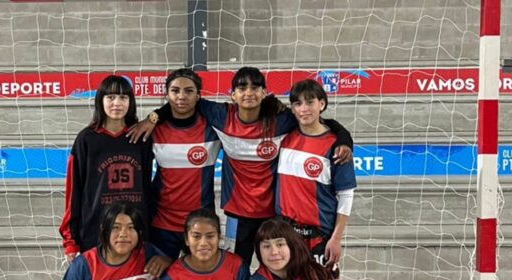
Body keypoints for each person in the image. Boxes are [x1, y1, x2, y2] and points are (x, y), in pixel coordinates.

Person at [131, 67, 353, 266]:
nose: (249, 92)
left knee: (276, 270)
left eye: (255, 87)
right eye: (242, 88)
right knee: (236, 270)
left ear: (264, 93)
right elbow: (182, 102)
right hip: (237, 214)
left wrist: (343, 138)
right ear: (232, 95)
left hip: (273, 215)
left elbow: (316, 120)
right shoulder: (220, 116)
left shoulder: (280, 120)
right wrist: (153, 117)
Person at [59, 75, 154, 264]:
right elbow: (73, 192)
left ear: (131, 102)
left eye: (123, 97)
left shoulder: (141, 138)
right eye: (110, 97)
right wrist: (70, 241)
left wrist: (153, 118)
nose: (117, 103)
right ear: (100, 100)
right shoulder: (86, 139)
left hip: (134, 235)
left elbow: (147, 188)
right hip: (94, 234)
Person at [277, 79, 357, 271]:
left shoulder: (338, 148)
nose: (304, 109)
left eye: (310, 102)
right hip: (285, 233)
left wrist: (336, 238)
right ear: (292, 109)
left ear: (321, 104)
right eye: (298, 104)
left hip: (319, 236)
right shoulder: (283, 138)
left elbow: (346, 195)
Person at [148, 69, 222, 259]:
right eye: (175, 90)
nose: (181, 96)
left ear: (198, 96)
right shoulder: (153, 129)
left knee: (200, 276)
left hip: (201, 224)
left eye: (189, 91)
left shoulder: (213, 128)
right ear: (167, 94)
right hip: (162, 224)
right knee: (160, 276)